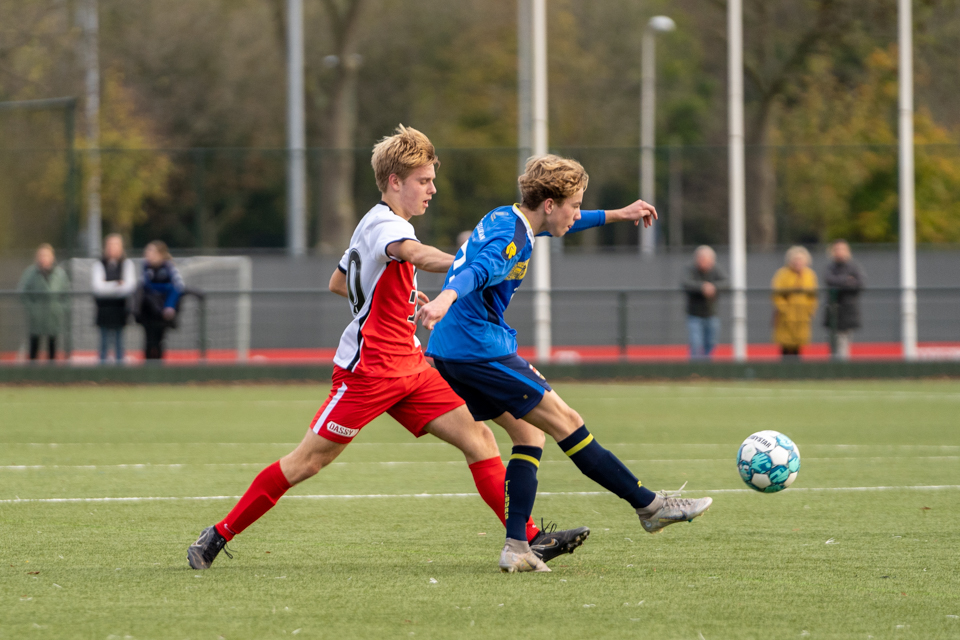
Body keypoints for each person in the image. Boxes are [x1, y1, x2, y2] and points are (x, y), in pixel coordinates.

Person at [187, 126, 587, 571]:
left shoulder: (371, 223)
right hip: (369, 374)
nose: (432, 189)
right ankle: (218, 534)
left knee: (480, 438)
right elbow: (414, 253)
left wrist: (398, 299)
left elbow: (339, 282)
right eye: (424, 180)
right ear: (395, 181)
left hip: (411, 367)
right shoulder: (390, 227)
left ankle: (528, 538)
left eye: (432, 179)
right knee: (306, 463)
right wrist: (472, 262)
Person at [419, 154, 714, 573]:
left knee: (530, 436)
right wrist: (446, 299)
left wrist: (618, 214)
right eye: (574, 205)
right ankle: (649, 506)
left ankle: (517, 546)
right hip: (477, 348)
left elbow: (560, 225)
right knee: (566, 421)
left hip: (455, 349)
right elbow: (477, 270)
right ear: (550, 204)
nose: (577, 214)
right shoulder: (513, 239)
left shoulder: (510, 218)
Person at [17, 243, 70, 362]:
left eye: (46, 255)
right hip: (37, 316)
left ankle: (51, 376)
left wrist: (61, 308)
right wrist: (32, 308)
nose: (44, 258)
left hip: (53, 315)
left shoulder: (60, 274)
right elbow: (22, 292)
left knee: (52, 344)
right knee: (34, 344)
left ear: (52, 257)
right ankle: (31, 375)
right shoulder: (30, 273)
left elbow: (66, 294)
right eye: (41, 255)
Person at [92, 234, 137, 363]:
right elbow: (98, 288)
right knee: (103, 344)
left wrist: (108, 287)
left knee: (119, 343)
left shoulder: (127, 264)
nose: (113, 248)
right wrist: (118, 284)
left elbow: (129, 287)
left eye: (116, 245)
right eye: (110, 245)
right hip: (103, 310)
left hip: (120, 310)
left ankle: (120, 377)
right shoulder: (98, 264)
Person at [137, 241, 185, 360]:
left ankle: (159, 369)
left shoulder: (169, 268)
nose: (147, 254)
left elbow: (178, 287)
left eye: (150, 251)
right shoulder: (145, 268)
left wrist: (169, 306)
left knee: (160, 340)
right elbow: (145, 286)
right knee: (148, 340)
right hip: (148, 311)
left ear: (159, 254)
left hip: (162, 312)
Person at [771, 246, 818, 359]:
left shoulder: (810, 275)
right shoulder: (782, 274)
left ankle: (797, 370)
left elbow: (813, 296)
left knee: (799, 344)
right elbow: (776, 294)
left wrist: (809, 310)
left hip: (802, 315)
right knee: (785, 344)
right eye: (795, 259)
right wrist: (784, 309)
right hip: (786, 316)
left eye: (801, 259)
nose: (798, 262)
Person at [681, 245, 726, 360]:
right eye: (702, 259)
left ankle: (706, 371)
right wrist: (702, 287)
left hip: (711, 314)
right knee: (695, 344)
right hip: (694, 315)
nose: (704, 263)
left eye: (707, 260)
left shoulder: (715, 269)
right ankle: (694, 372)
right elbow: (685, 283)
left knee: (710, 344)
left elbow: (727, 282)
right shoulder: (690, 269)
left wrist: (713, 287)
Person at [822, 240, 864, 361]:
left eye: (842, 249)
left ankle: (842, 373)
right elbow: (830, 280)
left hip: (848, 312)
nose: (839, 252)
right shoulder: (830, 267)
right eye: (837, 249)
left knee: (844, 345)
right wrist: (846, 280)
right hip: (833, 312)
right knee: (833, 345)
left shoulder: (854, 267)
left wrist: (841, 282)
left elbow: (859, 283)